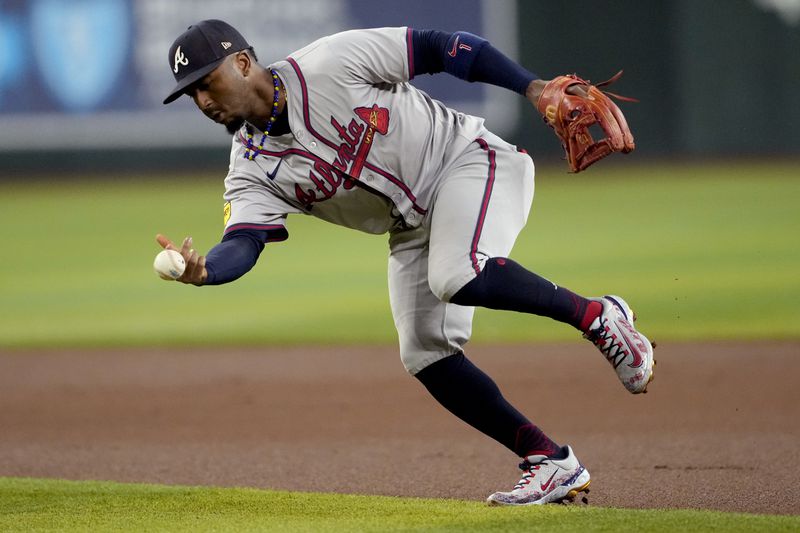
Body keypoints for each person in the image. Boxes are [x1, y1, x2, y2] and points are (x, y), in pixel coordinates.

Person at [157, 19, 654, 506]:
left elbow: (443, 47)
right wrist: (208, 271)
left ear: (243, 63)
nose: (202, 100)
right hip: (411, 228)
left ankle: (597, 316)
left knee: (457, 274)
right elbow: (243, 239)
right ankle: (550, 462)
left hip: (467, 161)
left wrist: (531, 87)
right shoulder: (249, 168)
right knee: (425, 353)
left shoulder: (331, 62)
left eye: (206, 82)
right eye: (191, 93)